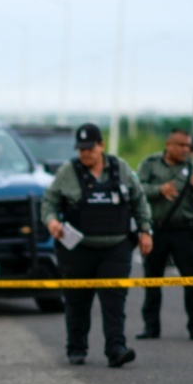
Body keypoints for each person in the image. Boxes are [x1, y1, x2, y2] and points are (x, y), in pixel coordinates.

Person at [41, 123, 153, 368]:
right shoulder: (68, 172)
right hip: (78, 249)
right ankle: (76, 348)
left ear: (101, 145)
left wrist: (145, 231)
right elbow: (49, 202)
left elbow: (139, 201)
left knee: (114, 301)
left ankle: (116, 349)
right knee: (77, 301)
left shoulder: (120, 168)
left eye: (90, 148)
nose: (85, 153)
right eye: (81, 149)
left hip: (115, 247)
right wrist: (51, 222)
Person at [136, 129, 193, 342]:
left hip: (184, 232)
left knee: (192, 280)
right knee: (152, 279)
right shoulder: (150, 164)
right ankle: (150, 327)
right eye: (181, 145)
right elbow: (137, 190)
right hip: (157, 230)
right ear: (168, 145)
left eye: (188, 146)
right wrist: (158, 190)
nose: (185, 150)